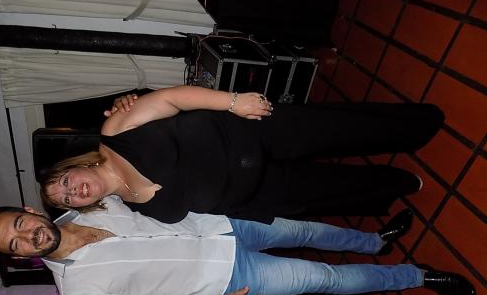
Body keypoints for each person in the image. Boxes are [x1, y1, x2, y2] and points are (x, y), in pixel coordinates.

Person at [0, 198, 476, 295]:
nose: (27, 236)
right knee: (324, 277)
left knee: (306, 230)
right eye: (15, 244)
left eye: (20, 223)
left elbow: (123, 167)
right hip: (228, 279)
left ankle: (375, 241)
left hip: (221, 225)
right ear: (19, 258)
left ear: (31, 211)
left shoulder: (86, 202)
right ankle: (417, 276)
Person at [40, 85, 443, 224]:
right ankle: (399, 183)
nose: (72, 191)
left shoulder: (114, 132)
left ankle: (416, 126)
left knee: (340, 128)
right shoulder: (128, 211)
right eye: (67, 200)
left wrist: (232, 102)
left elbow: (170, 99)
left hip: (246, 131)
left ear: (71, 167)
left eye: (64, 183)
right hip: (260, 193)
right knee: (335, 189)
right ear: (82, 206)